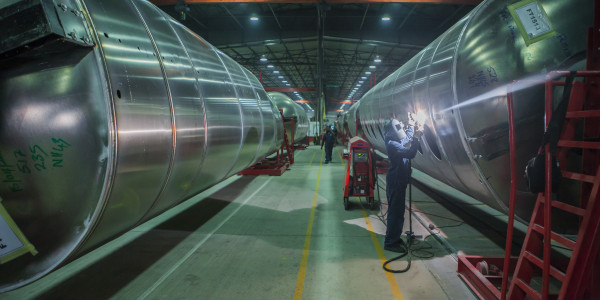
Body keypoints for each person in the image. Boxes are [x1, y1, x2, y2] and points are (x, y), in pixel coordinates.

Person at [383, 113, 422, 253]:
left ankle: (395, 237)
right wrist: (417, 138)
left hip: (399, 180)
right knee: (395, 212)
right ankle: (390, 242)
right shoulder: (393, 145)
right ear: (393, 130)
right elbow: (411, 153)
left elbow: (405, 138)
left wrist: (411, 125)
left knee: (399, 212)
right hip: (396, 181)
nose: (401, 129)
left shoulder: (394, 140)